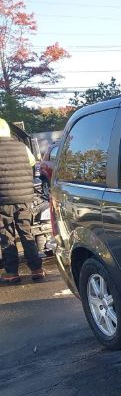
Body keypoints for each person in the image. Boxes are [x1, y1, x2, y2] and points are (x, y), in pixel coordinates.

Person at [0, 117, 45, 284]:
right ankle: (37, 269)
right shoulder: (22, 146)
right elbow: (33, 164)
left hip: (2, 201)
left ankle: (12, 273)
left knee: (6, 236)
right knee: (26, 233)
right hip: (24, 198)